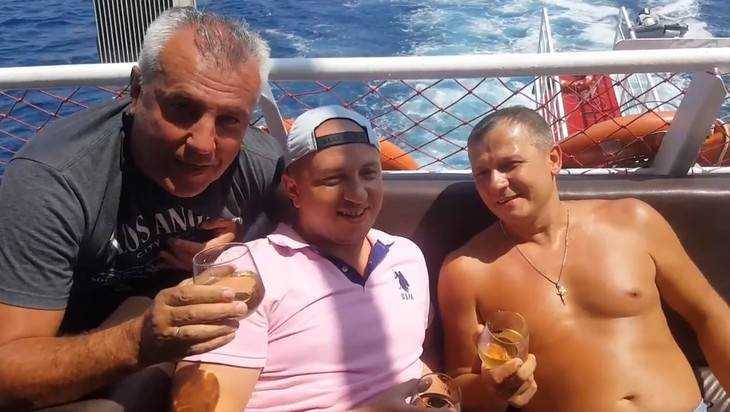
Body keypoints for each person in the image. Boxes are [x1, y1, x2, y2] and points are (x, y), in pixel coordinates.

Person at [0, 8, 283, 411]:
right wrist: (139, 341)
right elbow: (7, 373)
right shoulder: (54, 182)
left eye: (230, 121)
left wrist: (241, 246)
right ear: (136, 91)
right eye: (182, 108)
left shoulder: (261, 164)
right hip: (68, 360)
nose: (204, 145)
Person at [438, 106, 730, 412]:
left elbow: (708, 314)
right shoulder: (466, 272)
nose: (495, 183)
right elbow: (459, 382)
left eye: (509, 165)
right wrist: (493, 389)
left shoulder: (632, 221)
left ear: (553, 159)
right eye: (482, 173)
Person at [171, 106, 436, 411]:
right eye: (333, 179)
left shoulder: (406, 255)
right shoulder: (244, 274)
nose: (358, 195)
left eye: (368, 174)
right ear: (294, 189)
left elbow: (409, 361)